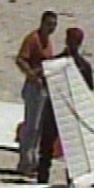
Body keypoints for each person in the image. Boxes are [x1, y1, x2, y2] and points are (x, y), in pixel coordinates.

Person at [37, 27, 94, 183]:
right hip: (54, 109)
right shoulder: (56, 63)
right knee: (47, 146)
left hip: (71, 113)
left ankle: (72, 181)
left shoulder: (82, 66)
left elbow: (88, 90)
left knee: (73, 151)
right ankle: (42, 180)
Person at [15, 10, 58, 176]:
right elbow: (20, 59)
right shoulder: (33, 39)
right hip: (34, 87)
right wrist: (31, 74)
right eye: (49, 24)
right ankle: (25, 163)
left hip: (44, 88)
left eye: (54, 25)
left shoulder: (48, 41)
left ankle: (31, 162)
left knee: (39, 127)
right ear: (42, 23)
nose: (51, 27)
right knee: (31, 126)